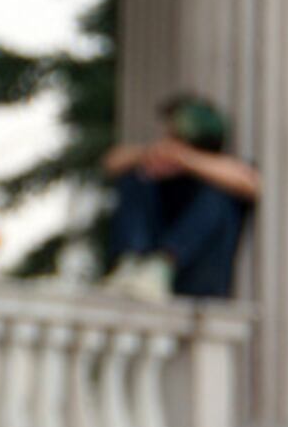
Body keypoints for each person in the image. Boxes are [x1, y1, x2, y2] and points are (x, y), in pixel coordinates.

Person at [101, 93, 258, 302]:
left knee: (220, 196)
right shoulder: (156, 174)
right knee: (137, 177)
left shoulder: (220, 181)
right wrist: (152, 155)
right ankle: (131, 263)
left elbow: (251, 182)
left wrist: (185, 159)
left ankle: (163, 264)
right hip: (143, 273)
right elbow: (111, 162)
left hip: (198, 286)